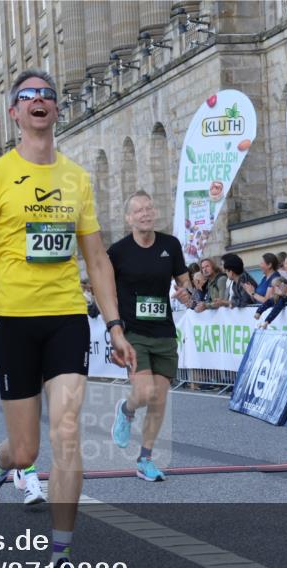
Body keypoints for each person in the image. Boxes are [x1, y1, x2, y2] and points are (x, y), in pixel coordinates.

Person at [0, 68, 135, 568]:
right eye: (27, 96)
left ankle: (60, 561)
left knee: (66, 435)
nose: (39, 102)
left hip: (64, 317)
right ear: (14, 113)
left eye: (47, 96)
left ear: (57, 111)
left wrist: (114, 325)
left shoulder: (77, 179)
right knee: (27, 447)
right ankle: (0, 463)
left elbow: (97, 260)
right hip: (12, 321)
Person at [107, 190, 191, 482]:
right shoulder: (117, 252)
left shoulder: (170, 245)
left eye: (149, 208)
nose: (145, 213)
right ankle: (126, 410)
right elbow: (107, 293)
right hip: (134, 333)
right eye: (138, 210)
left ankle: (145, 459)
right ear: (129, 218)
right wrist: (114, 331)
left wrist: (186, 292)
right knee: (144, 393)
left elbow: (185, 283)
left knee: (159, 400)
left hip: (164, 332)